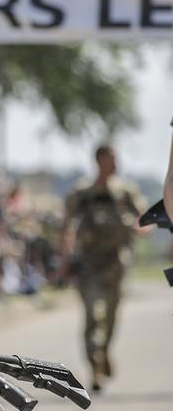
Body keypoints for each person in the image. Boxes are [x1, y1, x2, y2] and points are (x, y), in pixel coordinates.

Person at [62, 144, 145, 393]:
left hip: (115, 265)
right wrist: (65, 260)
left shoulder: (125, 191)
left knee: (109, 317)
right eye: (112, 157)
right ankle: (95, 366)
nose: (117, 162)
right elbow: (66, 226)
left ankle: (104, 351)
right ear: (99, 160)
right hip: (88, 266)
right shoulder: (82, 192)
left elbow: (143, 218)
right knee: (92, 316)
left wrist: (137, 226)